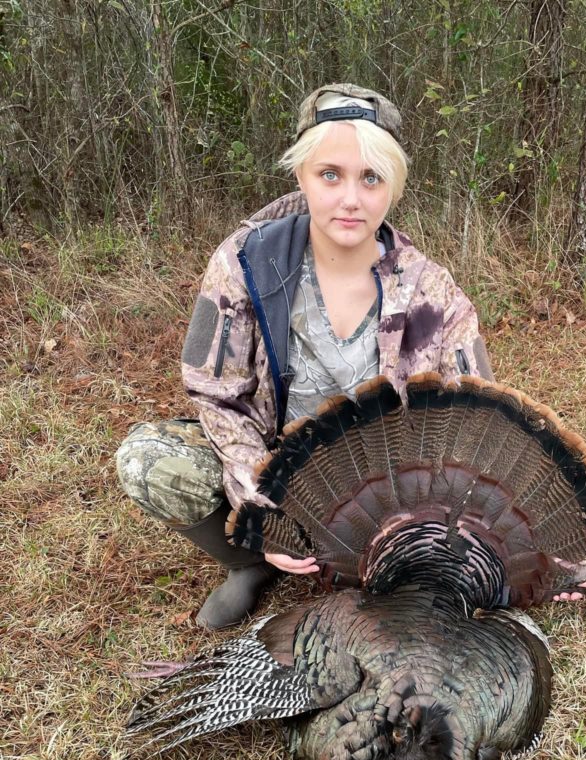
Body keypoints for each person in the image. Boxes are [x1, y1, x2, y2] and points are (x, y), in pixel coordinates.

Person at [116, 83, 494, 629]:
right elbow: (218, 397)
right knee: (149, 458)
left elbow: (477, 428)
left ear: (393, 186)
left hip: (383, 495)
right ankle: (248, 562)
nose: (350, 198)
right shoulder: (247, 262)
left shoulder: (432, 291)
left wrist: (533, 552)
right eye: (330, 174)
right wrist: (260, 507)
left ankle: (373, 567)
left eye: (371, 178)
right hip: (276, 472)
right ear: (301, 175)